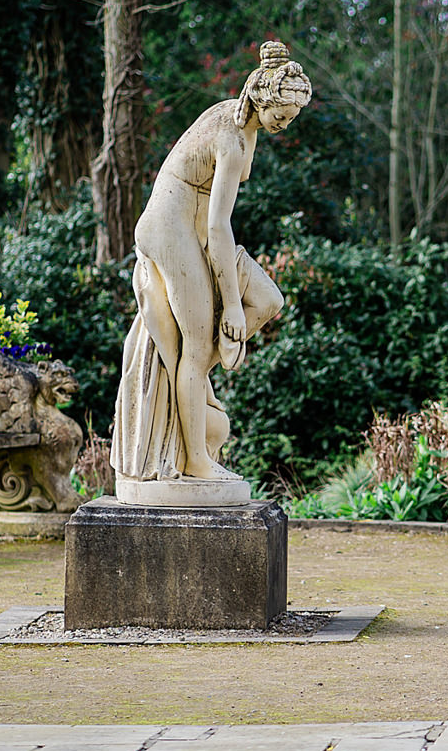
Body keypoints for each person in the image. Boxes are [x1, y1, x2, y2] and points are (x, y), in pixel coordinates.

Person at [112, 41, 311, 499]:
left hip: (192, 229)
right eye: (283, 112)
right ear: (262, 96)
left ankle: (199, 379)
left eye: (292, 116)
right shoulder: (234, 137)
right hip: (171, 228)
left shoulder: (242, 119)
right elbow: (221, 227)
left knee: (271, 300)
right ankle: (197, 461)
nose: (285, 123)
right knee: (197, 348)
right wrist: (233, 309)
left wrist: (239, 309)